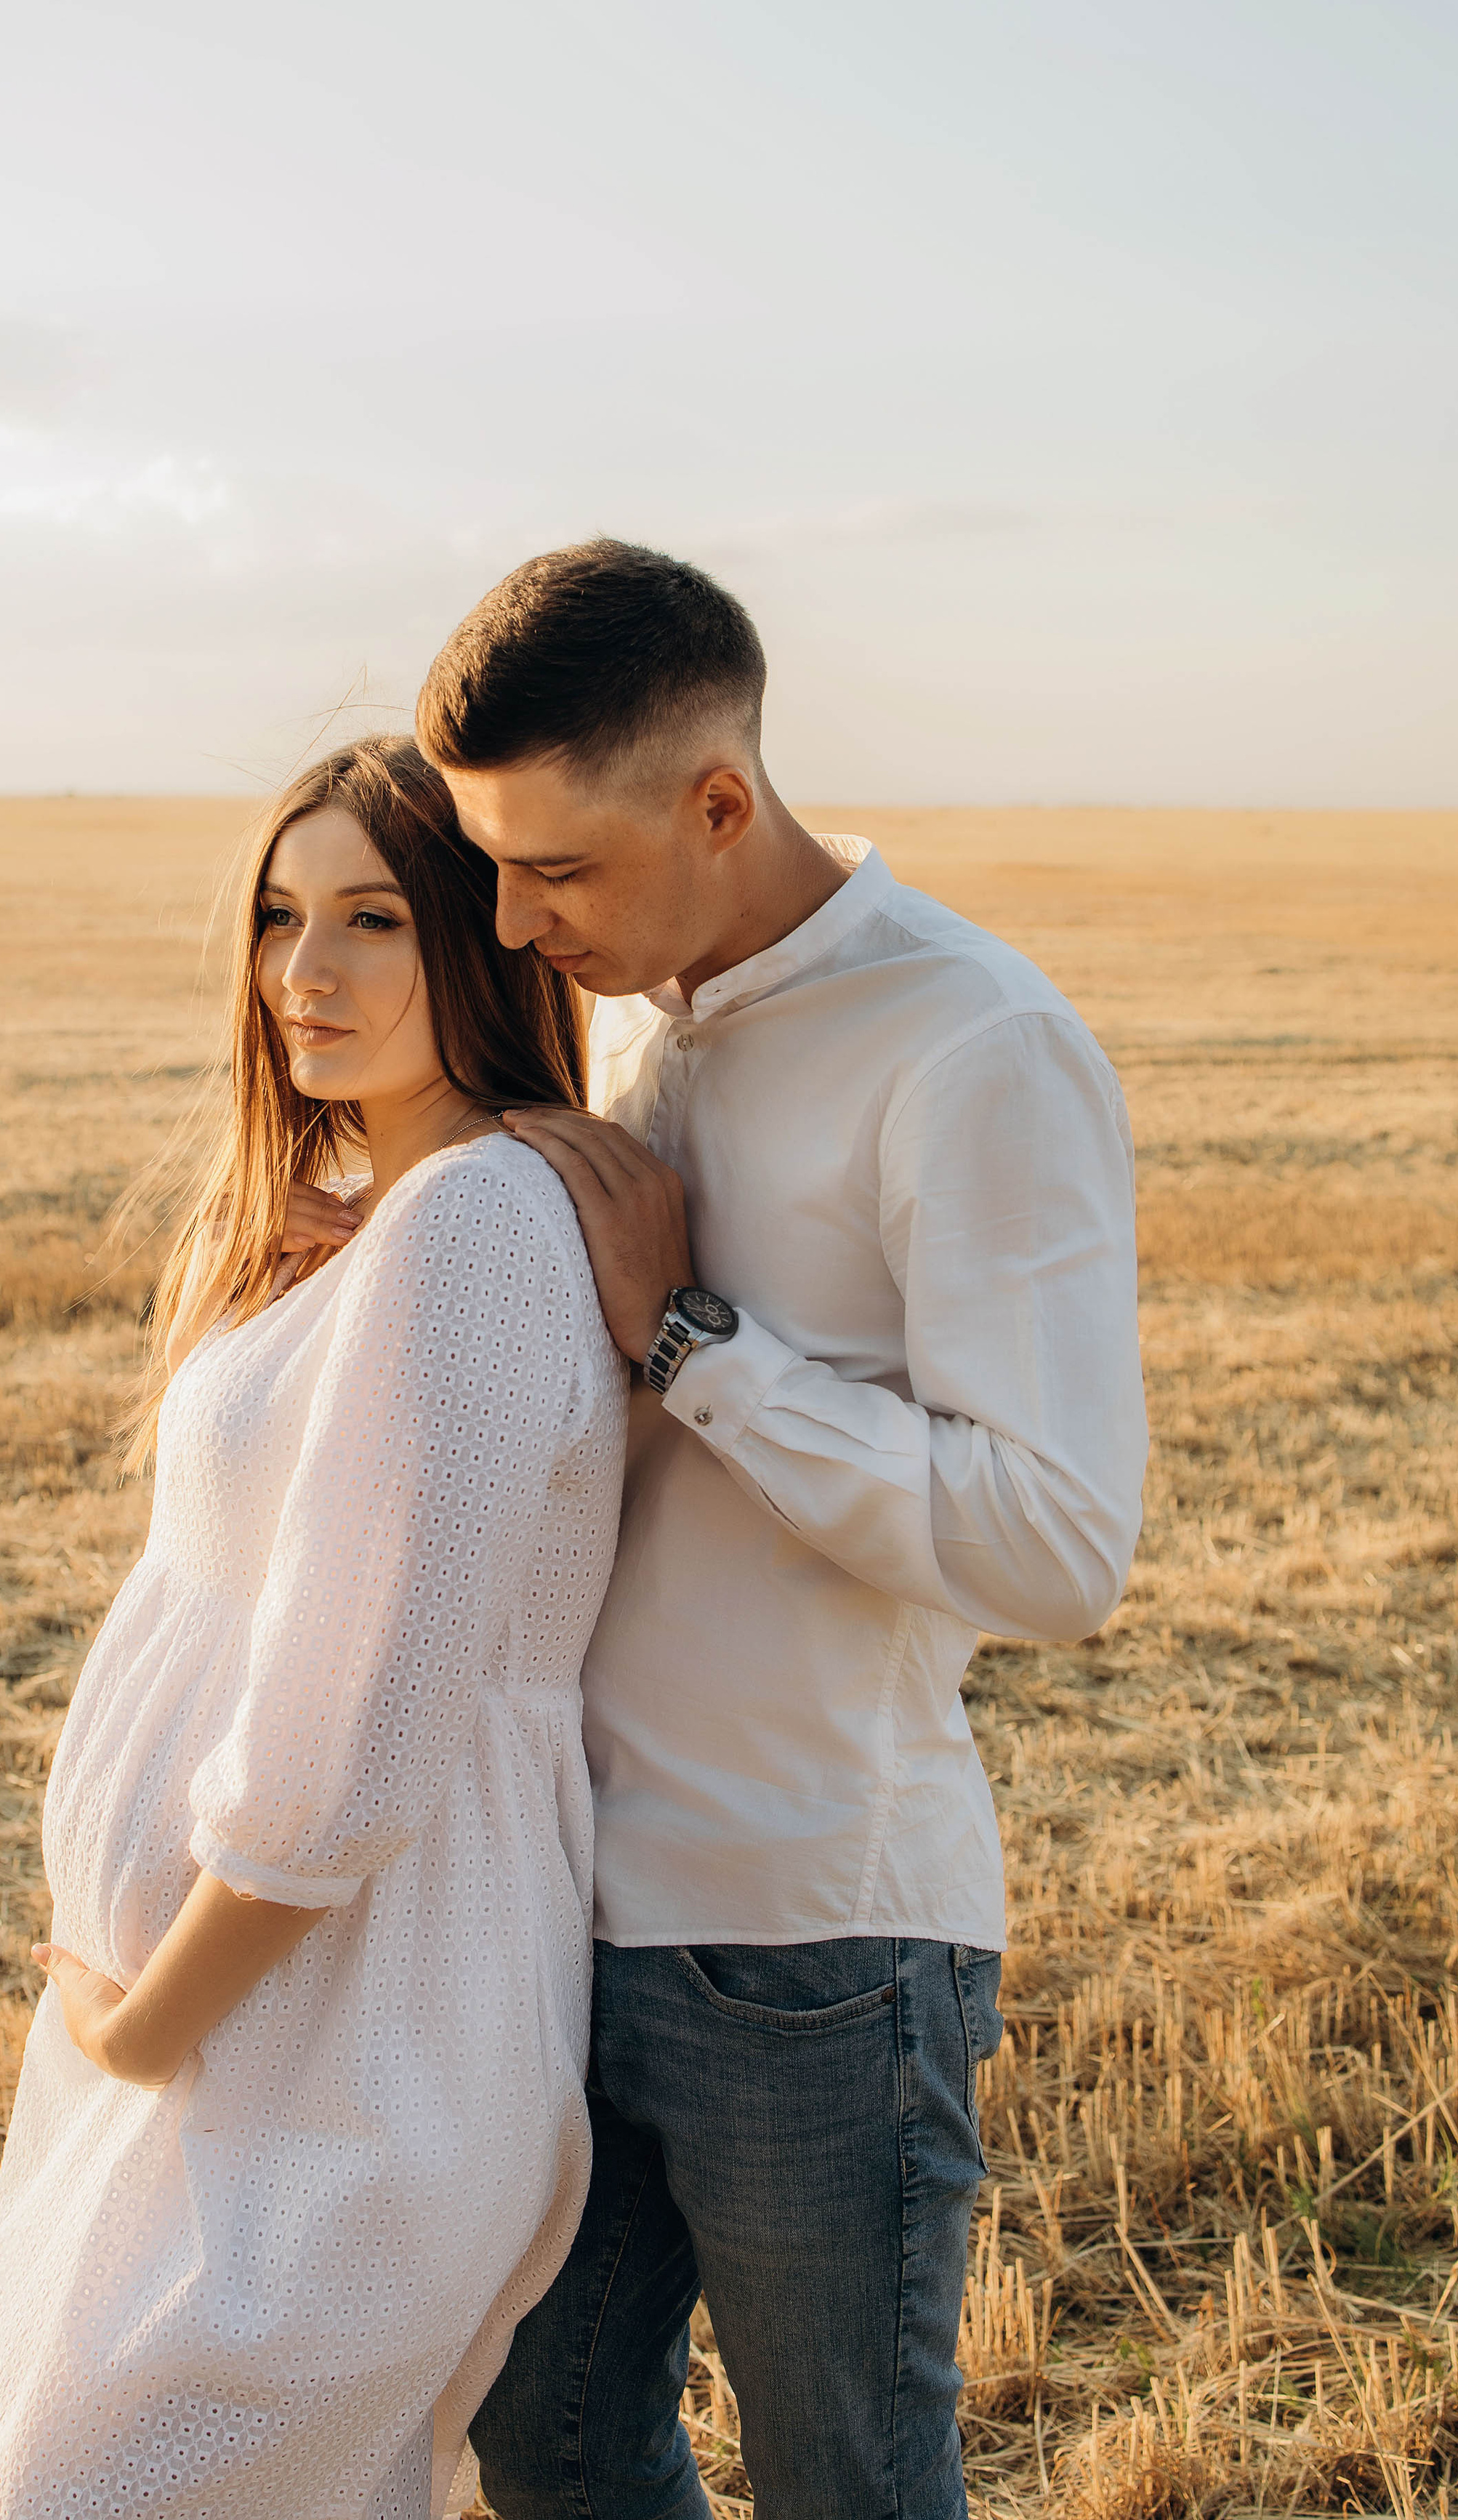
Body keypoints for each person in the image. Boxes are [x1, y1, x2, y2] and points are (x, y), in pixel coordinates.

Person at [299, 543, 1150, 2518]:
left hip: (816, 1939)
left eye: (557, 872)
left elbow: (1057, 1546)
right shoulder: (611, 1013)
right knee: (548, 2448)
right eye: (492, 868)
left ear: (717, 804)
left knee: (851, 2485)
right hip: (540, 1917)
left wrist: (694, 1340)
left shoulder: (973, 1048)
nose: (507, 919)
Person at [0, 735, 627, 2520]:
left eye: (372, 921)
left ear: (477, 941)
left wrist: (151, 2025)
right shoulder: (388, 1216)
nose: (302, 975)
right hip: (235, 2022)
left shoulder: (471, 1222)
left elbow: (362, 1741)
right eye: (276, 917)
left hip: (335, 2025)